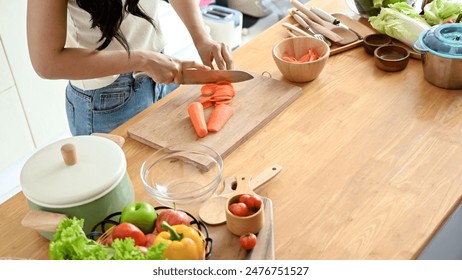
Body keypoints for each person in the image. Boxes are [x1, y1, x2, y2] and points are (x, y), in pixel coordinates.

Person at [26, 0, 234, 135]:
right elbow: (47, 63)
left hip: (161, 71)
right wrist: (142, 60)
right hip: (106, 102)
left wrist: (202, 38)